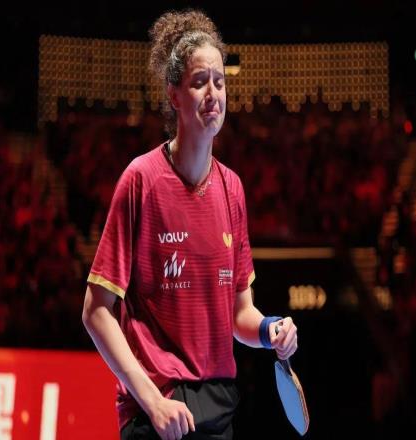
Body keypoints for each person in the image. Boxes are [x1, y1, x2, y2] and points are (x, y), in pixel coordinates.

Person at [82, 9, 298, 440]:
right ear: (174, 95)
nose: (213, 93)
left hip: (218, 405)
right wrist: (152, 401)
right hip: (156, 408)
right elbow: (96, 312)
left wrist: (269, 329)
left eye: (219, 81)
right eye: (200, 81)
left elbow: (239, 313)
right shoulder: (141, 180)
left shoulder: (232, 189)